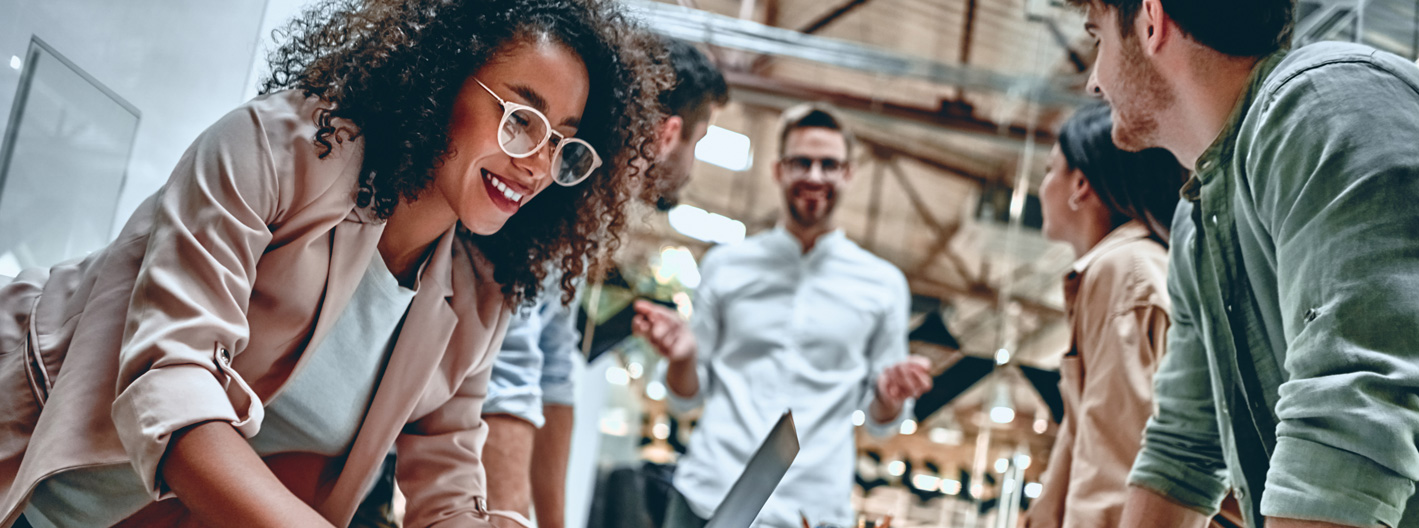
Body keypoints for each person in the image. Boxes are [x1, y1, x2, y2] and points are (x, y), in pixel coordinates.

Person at [0, 0, 670, 526]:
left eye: (563, 145)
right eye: (521, 119)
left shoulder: (479, 294)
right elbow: (171, 393)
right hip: (28, 477)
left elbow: (445, 480)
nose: (536, 164)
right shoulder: (271, 152)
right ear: (440, 76)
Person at [1069, 0, 1419, 527]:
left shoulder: (1329, 108)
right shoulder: (1197, 220)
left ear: (1151, 20)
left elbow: (1344, 429)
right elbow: (1182, 451)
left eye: (1097, 37)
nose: (1093, 82)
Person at [632, 103, 933, 527]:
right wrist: (682, 359)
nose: (815, 175)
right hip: (709, 496)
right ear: (777, 170)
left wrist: (888, 397)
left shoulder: (883, 285)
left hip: (814, 509)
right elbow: (686, 396)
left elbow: (883, 423)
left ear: (848, 174)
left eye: (829, 164)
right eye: (801, 162)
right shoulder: (726, 266)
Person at [478, 37, 728, 528]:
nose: (691, 166)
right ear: (669, 133)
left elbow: (552, 370)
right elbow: (511, 366)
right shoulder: (552, 195)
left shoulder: (589, 218)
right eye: (698, 143)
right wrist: (509, 518)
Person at [1025, 102, 1187, 528]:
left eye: (1047, 171)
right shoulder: (1125, 267)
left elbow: (1118, 462)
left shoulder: (1124, 272)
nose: (1041, 187)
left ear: (1080, 184)